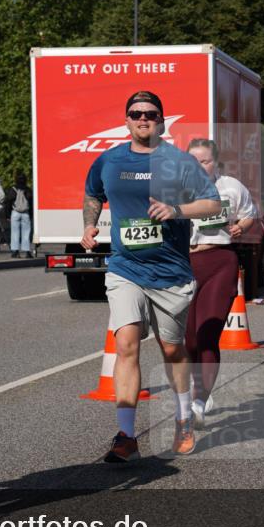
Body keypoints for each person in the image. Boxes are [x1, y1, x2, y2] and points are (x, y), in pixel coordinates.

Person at [80, 90, 220, 461]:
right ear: (126, 119)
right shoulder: (109, 161)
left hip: (171, 272)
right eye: (136, 113)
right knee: (126, 343)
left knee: (172, 349)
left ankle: (184, 418)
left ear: (160, 119)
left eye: (150, 114)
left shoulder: (178, 162)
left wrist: (176, 210)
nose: (143, 119)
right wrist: (89, 226)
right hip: (126, 268)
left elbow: (211, 203)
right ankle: (126, 435)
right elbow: (93, 193)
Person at [185, 138, 258, 427]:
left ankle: (200, 400)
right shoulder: (175, 188)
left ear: (215, 162)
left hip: (219, 261)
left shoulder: (230, 187)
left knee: (208, 332)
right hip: (185, 264)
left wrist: (240, 226)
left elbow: (250, 216)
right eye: (193, 161)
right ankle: (197, 385)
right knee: (188, 338)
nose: (200, 166)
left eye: (205, 161)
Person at [6, 173, 34, 258]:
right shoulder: (28, 190)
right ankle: (27, 252)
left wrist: (7, 215)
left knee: (15, 233)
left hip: (15, 213)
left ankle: (15, 251)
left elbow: (8, 202)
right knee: (26, 233)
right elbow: (31, 203)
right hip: (25, 213)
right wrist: (31, 215)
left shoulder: (13, 189)